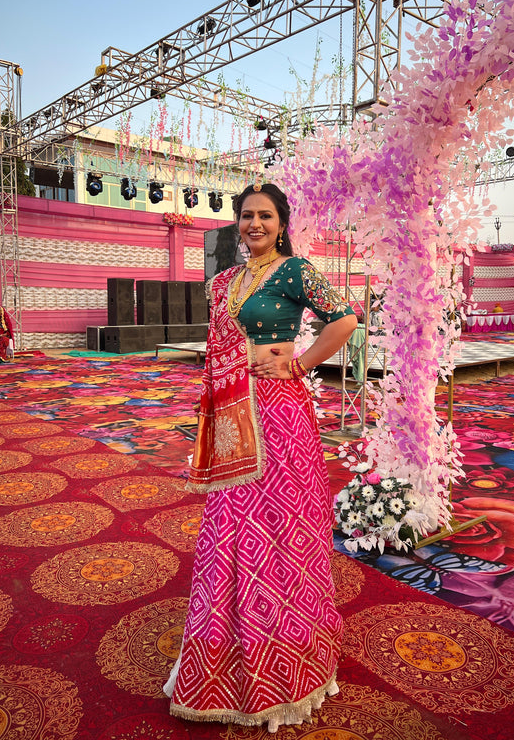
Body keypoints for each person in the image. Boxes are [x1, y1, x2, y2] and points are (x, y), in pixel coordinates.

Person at [164, 182, 357, 732]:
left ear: (282, 221)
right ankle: (228, 652)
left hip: (280, 414)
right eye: (247, 216)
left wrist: (300, 365)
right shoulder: (222, 282)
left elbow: (344, 320)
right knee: (230, 526)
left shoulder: (297, 272)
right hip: (234, 417)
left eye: (265, 216)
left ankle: (289, 652)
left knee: (282, 525)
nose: (254, 225)